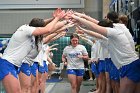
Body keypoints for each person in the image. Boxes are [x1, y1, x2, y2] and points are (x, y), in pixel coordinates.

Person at [70, 11, 140, 93]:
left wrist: (77, 18)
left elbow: (95, 27)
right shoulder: (117, 27)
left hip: (129, 65)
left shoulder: (114, 32)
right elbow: (97, 25)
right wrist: (81, 18)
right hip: (129, 64)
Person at [0, 8, 66, 93]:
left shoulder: (32, 37)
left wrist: (63, 20)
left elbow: (50, 28)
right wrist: (57, 18)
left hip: (15, 65)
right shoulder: (25, 29)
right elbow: (48, 29)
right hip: (7, 63)